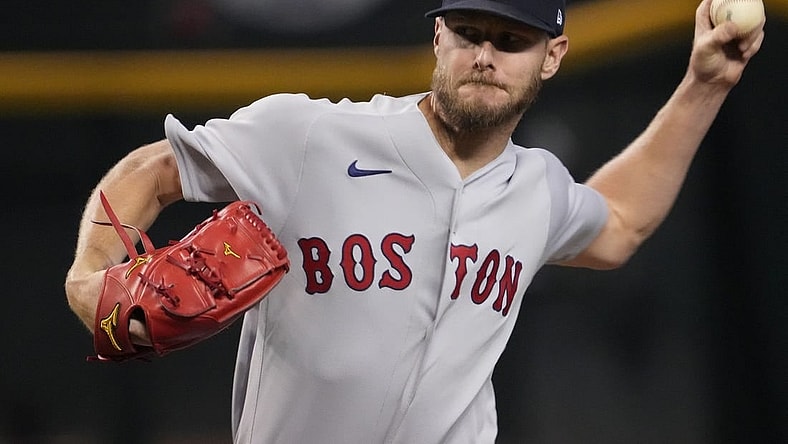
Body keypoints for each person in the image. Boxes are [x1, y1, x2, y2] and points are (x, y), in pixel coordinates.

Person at [64, 0, 765, 442]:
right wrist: (90, 276)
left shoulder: (539, 189)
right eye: (469, 32)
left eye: (511, 39)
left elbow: (620, 223)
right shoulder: (313, 136)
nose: (485, 55)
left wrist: (704, 86)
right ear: (438, 37)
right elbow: (155, 170)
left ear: (552, 57)